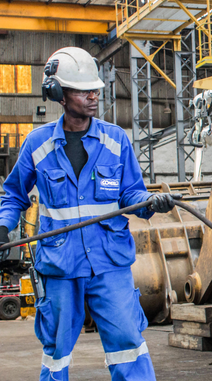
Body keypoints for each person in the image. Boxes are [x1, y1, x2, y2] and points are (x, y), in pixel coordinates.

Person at [0, 47, 177, 381]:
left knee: (128, 343)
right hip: (61, 265)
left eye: (95, 89)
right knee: (56, 351)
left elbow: (131, 193)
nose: (94, 96)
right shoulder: (37, 145)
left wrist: (151, 202)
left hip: (109, 262)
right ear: (58, 94)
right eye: (83, 91)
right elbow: (13, 195)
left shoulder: (116, 140)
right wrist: (3, 226)